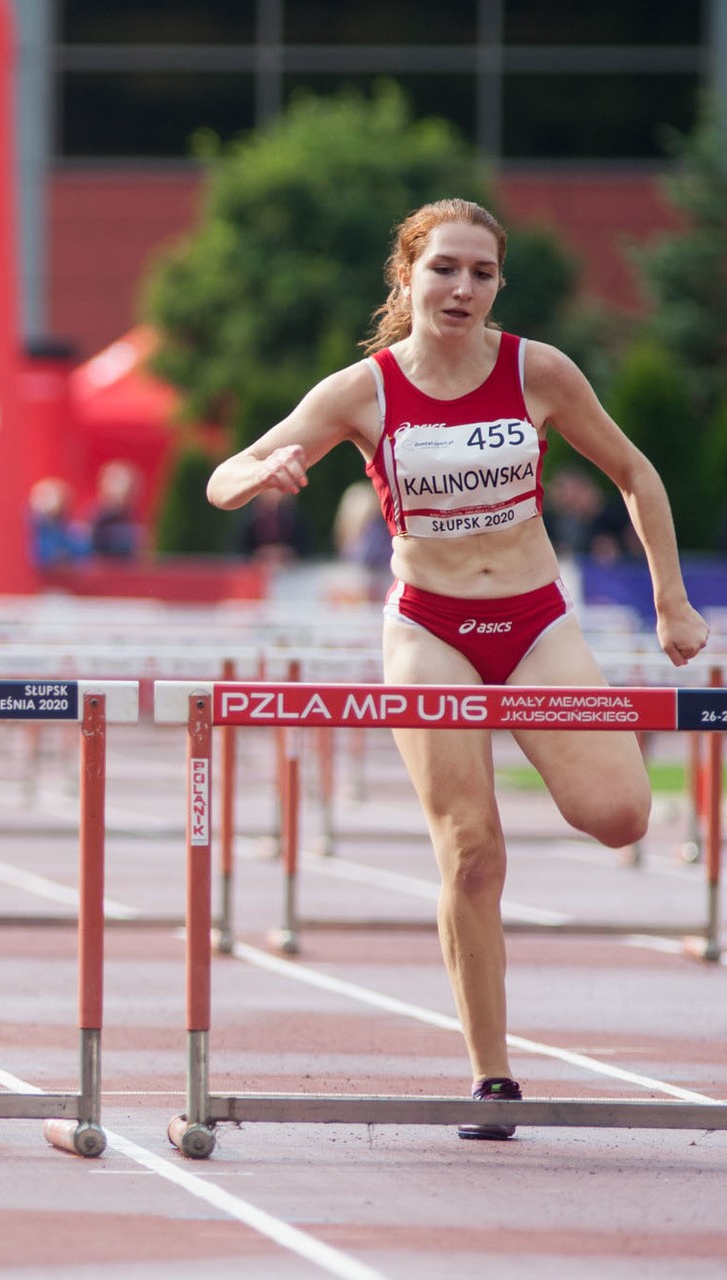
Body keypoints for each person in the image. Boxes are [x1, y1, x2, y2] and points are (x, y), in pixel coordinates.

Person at [205, 198, 708, 1138]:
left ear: (498, 285)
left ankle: (533, 729)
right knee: (472, 850)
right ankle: (492, 1074)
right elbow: (225, 472)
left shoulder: (537, 371)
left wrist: (670, 600)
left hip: (533, 619)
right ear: (408, 278)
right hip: (429, 626)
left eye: (481, 272)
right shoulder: (363, 390)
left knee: (621, 815)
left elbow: (637, 474)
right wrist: (261, 475)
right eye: (444, 269)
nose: (462, 288)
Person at [25, 475, 88, 573]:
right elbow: (44, 557)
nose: (43, 501)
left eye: (48, 496)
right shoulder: (34, 528)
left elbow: (82, 554)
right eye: (40, 495)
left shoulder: (69, 529)